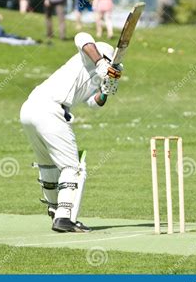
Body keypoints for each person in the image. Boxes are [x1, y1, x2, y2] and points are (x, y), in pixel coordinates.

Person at [20, 32, 122, 232]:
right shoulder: (88, 56)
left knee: (47, 164)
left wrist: (106, 91)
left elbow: (94, 104)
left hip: (30, 109)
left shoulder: (93, 76)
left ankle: (54, 210)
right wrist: (101, 63)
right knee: (71, 166)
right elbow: (82, 37)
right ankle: (64, 218)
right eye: (110, 66)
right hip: (49, 109)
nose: (110, 70)